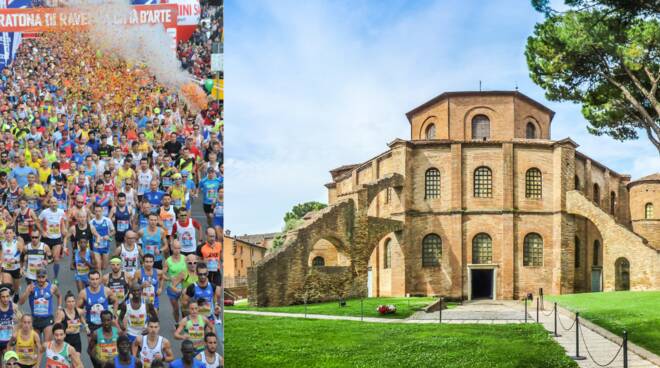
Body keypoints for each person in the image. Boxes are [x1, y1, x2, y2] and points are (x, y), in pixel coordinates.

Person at [18, 268, 61, 342]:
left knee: (47, 344)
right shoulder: (31, 287)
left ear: (46, 276)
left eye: (43, 277)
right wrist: (27, 292)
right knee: (37, 345)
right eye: (39, 277)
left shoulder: (52, 287)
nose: (41, 279)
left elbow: (59, 296)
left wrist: (59, 308)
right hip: (35, 319)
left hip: (47, 319)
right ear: (36, 277)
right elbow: (21, 302)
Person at [38, 196, 67, 281]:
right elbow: (37, 221)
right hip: (46, 239)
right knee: (43, 260)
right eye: (52, 202)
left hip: (57, 239)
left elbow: (65, 220)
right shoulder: (44, 212)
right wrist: (42, 231)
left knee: (56, 259)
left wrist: (65, 228)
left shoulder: (61, 212)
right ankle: (43, 278)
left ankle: (55, 278)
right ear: (49, 204)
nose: (53, 204)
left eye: (55, 202)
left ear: (57, 203)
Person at [163, 240, 186, 325]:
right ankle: (177, 323)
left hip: (183, 286)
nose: (177, 250)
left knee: (184, 307)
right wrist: (169, 279)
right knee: (176, 309)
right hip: (172, 288)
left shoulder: (184, 258)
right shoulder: (168, 261)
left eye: (179, 248)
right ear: (172, 248)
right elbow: (163, 275)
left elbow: (191, 270)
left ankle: (185, 324)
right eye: (175, 248)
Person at [89, 204, 114, 270]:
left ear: (102, 211)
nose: (98, 213)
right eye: (96, 211)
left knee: (104, 267)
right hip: (96, 246)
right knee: (98, 265)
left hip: (105, 246)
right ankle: (97, 278)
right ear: (94, 211)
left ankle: (104, 261)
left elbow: (113, 231)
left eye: (99, 211)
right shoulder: (91, 222)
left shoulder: (107, 220)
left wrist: (108, 236)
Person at [1, 228, 24, 298]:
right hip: (6, 268)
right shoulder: (2, 243)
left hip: (16, 268)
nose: (8, 235)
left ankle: (16, 293)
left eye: (10, 233)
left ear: (13, 234)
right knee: (8, 288)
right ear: (5, 234)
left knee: (15, 288)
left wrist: (21, 267)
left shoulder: (17, 244)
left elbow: (22, 257)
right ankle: (9, 303)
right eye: (7, 233)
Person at [0, 287, 20, 359]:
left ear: (10, 297)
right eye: (3, 297)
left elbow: (22, 321)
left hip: (9, 340)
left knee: (9, 362)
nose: (5, 299)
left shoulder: (14, 307)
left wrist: (16, 331)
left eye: (7, 296)